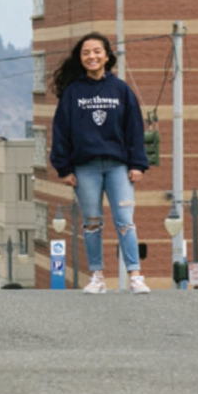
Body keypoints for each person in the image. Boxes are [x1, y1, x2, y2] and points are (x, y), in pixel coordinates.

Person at [49, 32, 151, 295]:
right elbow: (60, 131)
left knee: (125, 221)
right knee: (92, 222)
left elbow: (135, 129)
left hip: (118, 166)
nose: (92, 57)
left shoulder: (121, 90)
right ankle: (97, 276)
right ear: (80, 58)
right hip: (85, 168)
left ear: (107, 56)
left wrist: (137, 164)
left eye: (97, 51)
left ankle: (135, 276)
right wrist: (64, 168)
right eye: (86, 53)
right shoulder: (73, 92)